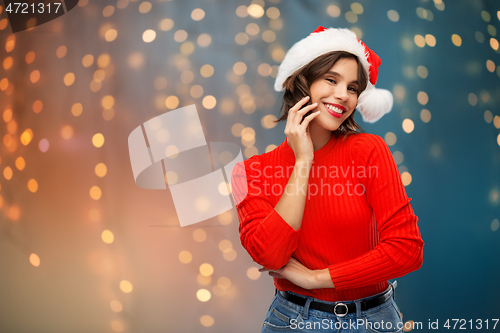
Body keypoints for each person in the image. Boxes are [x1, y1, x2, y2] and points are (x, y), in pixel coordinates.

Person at [231, 27, 424, 333]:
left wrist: (316, 278)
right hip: (292, 321)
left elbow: (406, 250)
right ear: (300, 80)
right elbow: (270, 254)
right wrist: (303, 161)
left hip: (374, 320)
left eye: (353, 87)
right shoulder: (250, 171)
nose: (343, 95)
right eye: (331, 80)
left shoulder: (368, 151)